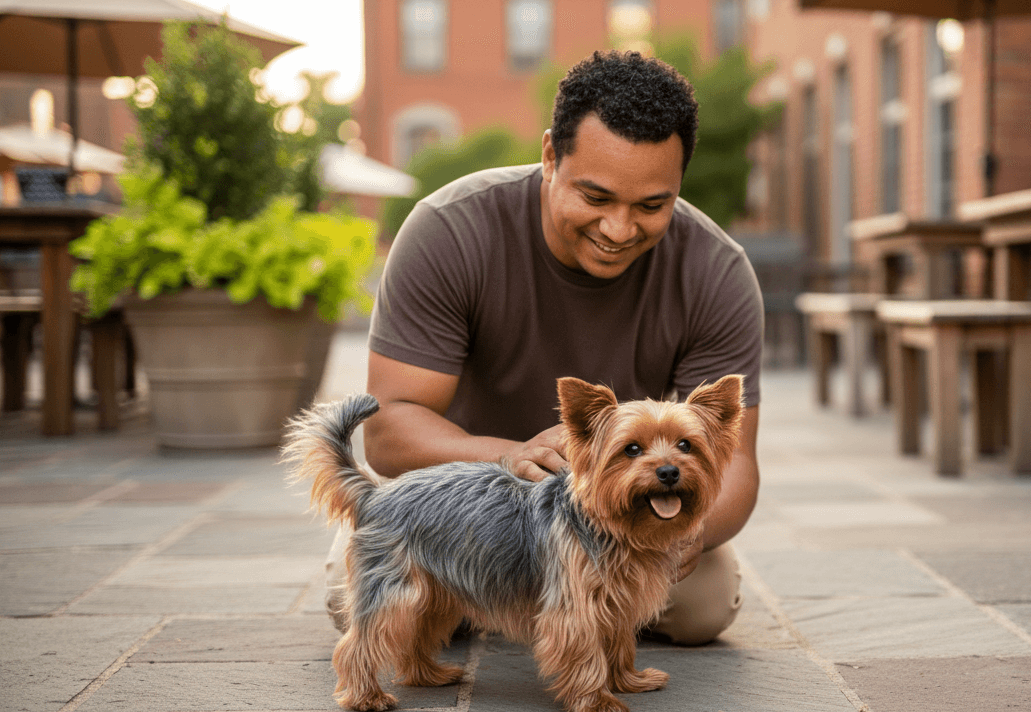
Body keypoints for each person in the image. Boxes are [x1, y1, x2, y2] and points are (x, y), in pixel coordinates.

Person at [324, 49, 763, 646]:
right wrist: (508, 456)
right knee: (356, 594)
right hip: (464, 508)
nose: (619, 228)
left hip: (629, 522)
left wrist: (682, 533)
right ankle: (503, 600)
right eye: (597, 197)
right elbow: (389, 429)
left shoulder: (716, 271)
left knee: (702, 607)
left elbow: (735, 460)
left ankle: (513, 610)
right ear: (551, 155)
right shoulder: (449, 230)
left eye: (652, 205)